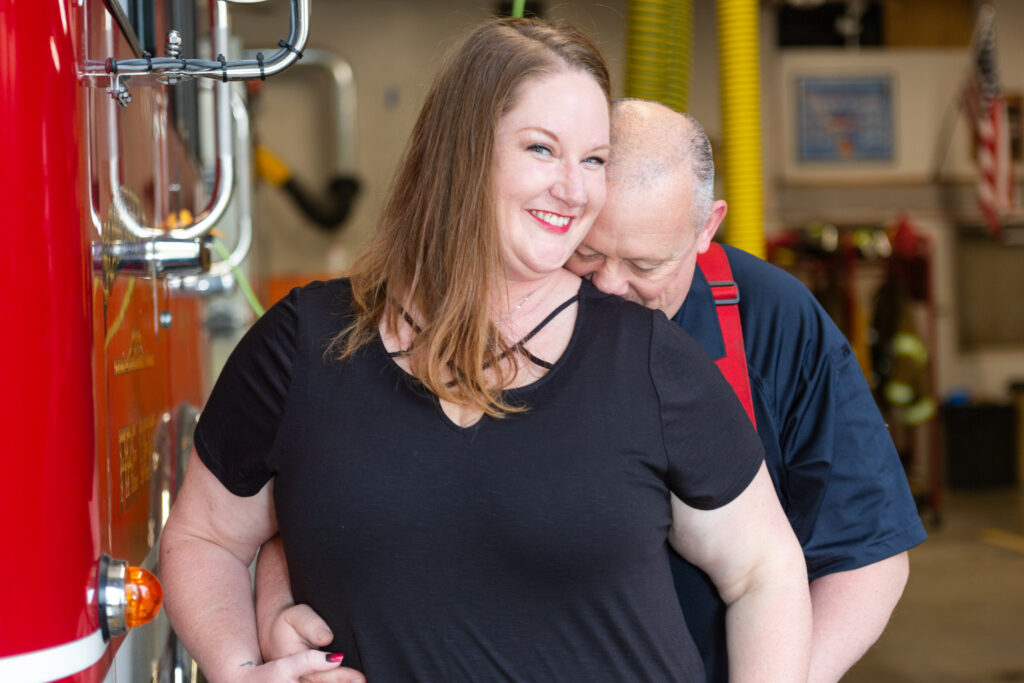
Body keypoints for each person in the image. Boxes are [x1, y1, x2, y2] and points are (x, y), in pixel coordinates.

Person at [160, 17, 812, 683]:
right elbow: (202, 537)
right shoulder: (305, 342)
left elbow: (767, 570)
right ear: (461, 150)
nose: (576, 187)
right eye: (541, 149)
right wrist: (240, 669)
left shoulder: (648, 359)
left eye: (592, 159)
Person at [255, 99, 926, 682]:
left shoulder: (771, 321)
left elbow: (868, 552)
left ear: (705, 228)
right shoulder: (490, 305)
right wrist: (276, 607)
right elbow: (337, 494)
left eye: (644, 265)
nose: (607, 288)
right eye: (587, 254)